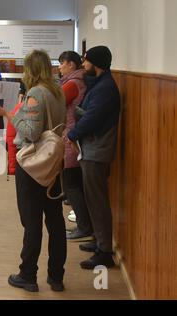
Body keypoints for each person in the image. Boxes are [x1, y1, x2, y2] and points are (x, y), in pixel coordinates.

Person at [0, 50, 67, 292]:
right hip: (53, 163)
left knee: (32, 221)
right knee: (55, 220)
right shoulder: (58, 91)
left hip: (34, 164)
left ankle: (28, 275)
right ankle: (56, 276)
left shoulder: (36, 93)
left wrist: (9, 116)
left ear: (32, 70)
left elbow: (32, 132)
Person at [67, 46, 120, 269]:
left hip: (96, 151)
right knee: (93, 198)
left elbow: (92, 117)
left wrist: (73, 133)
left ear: (96, 64)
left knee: (97, 202)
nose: (83, 65)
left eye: (86, 61)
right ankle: (99, 241)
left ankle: (104, 251)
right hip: (92, 148)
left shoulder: (105, 88)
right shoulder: (99, 83)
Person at [58, 51, 94, 242]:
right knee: (74, 184)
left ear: (71, 64)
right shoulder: (79, 80)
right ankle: (84, 224)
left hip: (71, 137)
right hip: (74, 135)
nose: (59, 67)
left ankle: (83, 226)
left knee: (72, 184)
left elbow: (57, 103)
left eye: (62, 63)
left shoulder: (73, 83)